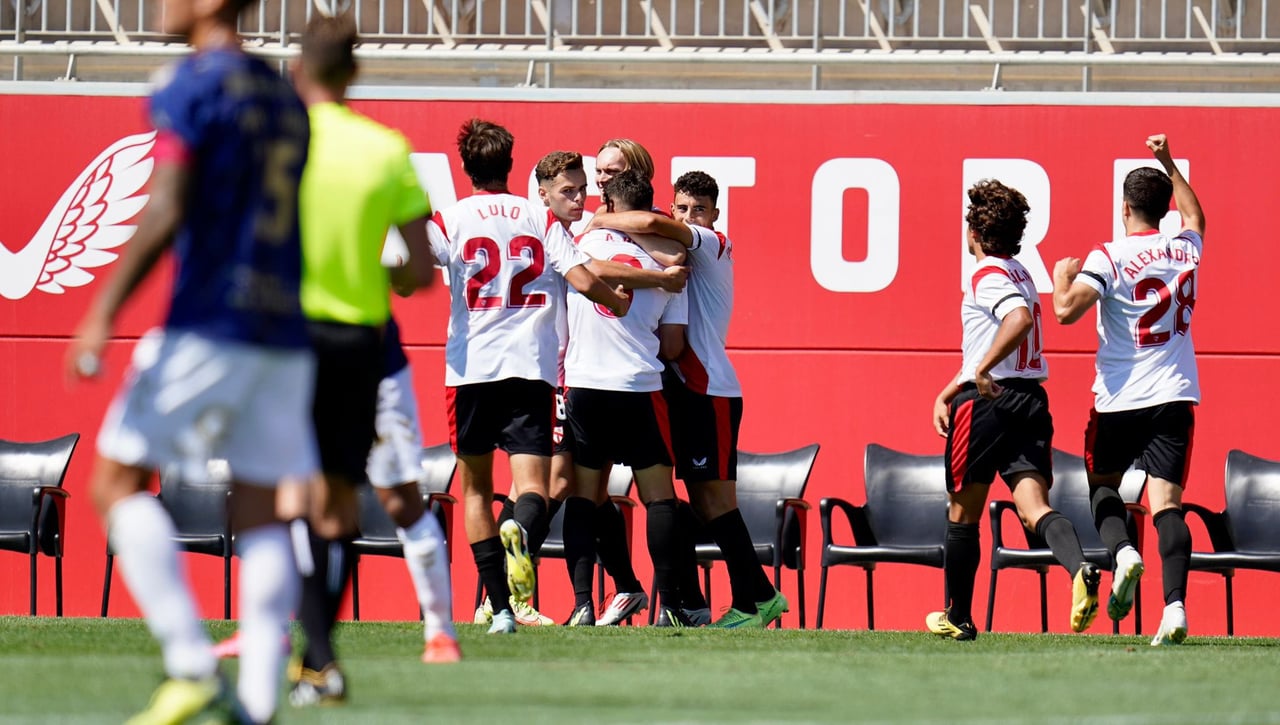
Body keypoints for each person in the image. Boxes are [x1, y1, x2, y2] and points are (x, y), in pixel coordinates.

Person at [66, 0, 314, 722]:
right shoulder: (281, 92)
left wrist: (102, 310)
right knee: (265, 511)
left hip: (210, 320)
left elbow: (167, 203)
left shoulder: (193, 83)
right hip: (282, 328)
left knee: (113, 482)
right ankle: (260, 704)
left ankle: (190, 661)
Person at [287, 14, 439, 705]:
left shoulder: (275, 144)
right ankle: (318, 656)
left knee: (289, 496)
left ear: (298, 71)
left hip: (283, 333)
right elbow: (418, 270)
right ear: (354, 74)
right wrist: (381, 274)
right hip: (358, 341)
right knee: (339, 499)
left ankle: (313, 653)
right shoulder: (386, 149)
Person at [427, 119, 631, 635]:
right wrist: (619, 303)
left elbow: (405, 264)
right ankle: (519, 529)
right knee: (534, 488)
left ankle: (499, 609)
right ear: (511, 166)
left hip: (471, 368)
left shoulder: (449, 218)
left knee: (475, 490)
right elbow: (582, 278)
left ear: (467, 167)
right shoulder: (538, 217)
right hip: (531, 369)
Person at [586, 171, 787, 628]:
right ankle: (715, 600)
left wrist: (601, 221)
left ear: (714, 214)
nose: (689, 216)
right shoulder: (667, 252)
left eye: (699, 209)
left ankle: (755, 601)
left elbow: (660, 230)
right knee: (695, 502)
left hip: (708, 389)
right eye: (681, 207)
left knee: (716, 503)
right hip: (682, 389)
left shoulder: (711, 242)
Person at [927, 179, 1100, 641]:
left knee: (963, 512)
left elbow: (1017, 321)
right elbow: (999, 340)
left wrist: (978, 374)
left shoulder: (986, 275)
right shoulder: (1022, 272)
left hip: (990, 405)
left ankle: (958, 617)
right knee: (1033, 507)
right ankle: (1080, 566)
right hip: (1030, 400)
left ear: (975, 233)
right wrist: (954, 384)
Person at [1051, 134, 1204, 647]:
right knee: (1166, 506)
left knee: (1101, 487)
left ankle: (1122, 555)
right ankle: (1176, 606)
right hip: (1175, 393)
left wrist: (1060, 278)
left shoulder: (1109, 255)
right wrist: (1169, 162)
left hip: (1119, 398)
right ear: (1163, 209)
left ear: (1124, 208)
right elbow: (1196, 217)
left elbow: (1067, 311)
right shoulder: (1185, 248)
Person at [532, 150, 687, 626]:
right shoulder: (674, 266)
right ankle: (672, 607)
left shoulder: (578, 237)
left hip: (584, 384)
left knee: (584, 495)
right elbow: (673, 345)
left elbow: (588, 273)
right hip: (639, 384)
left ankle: (582, 602)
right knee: (658, 497)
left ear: (609, 204)